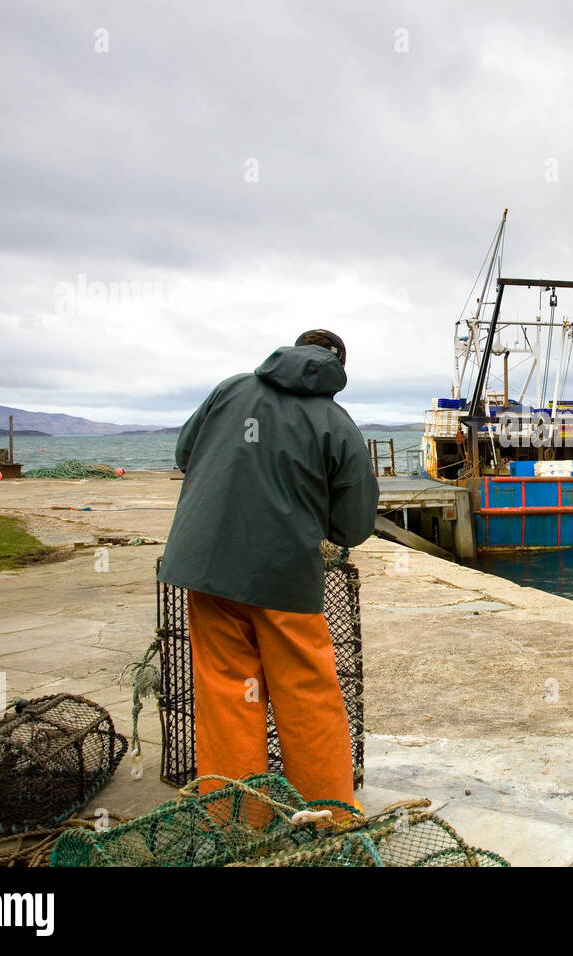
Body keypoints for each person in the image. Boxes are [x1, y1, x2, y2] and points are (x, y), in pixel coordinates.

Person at [157, 330, 379, 807]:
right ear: (338, 368)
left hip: (208, 568)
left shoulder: (229, 390)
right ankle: (329, 813)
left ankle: (236, 816)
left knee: (226, 692)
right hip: (285, 580)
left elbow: (184, 455)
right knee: (306, 693)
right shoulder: (336, 423)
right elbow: (354, 525)